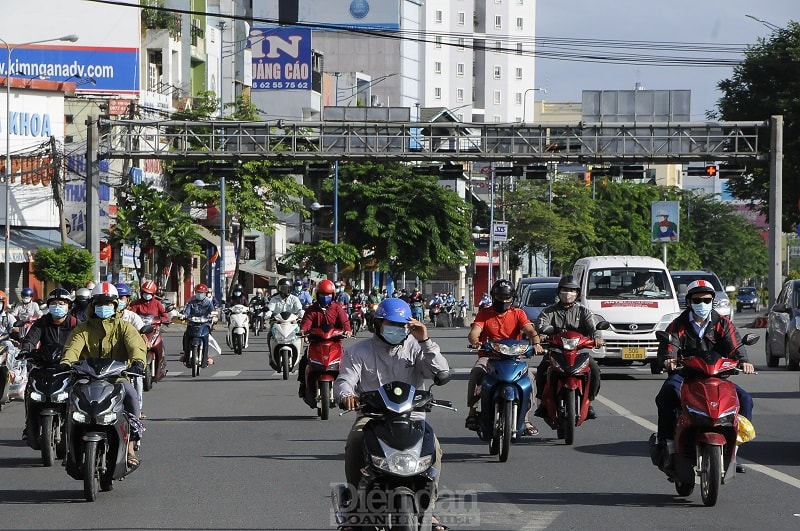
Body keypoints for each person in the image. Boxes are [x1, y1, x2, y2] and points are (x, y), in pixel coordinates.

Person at [335, 298, 450, 531]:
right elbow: (345, 381)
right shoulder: (358, 351)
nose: (398, 329)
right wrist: (346, 395)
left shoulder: (418, 348)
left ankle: (430, 510)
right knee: (355, 440)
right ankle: (356, 507)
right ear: (378, 323)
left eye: (402, 325)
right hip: (373, 417)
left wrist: (425, 340)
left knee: (435, 447)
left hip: (412, 417)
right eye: (391, 324)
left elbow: (441, 371)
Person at [655, 279, 754, 473]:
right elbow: (669, 348)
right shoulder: (678, 325)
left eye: (707, 300)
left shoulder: (723, 323)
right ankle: (667, 443)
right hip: (686, 376)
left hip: (717, 377)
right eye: (698, 300)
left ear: (712, 302)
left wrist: (744, 362)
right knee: (667, 395)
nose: (702, 304)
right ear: (689, 302)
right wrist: (669, 360)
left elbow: (735, 347)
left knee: (746, 400)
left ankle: (734, 449)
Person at [60, 282, 147, 468]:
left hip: (117, 378)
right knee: (69, 399)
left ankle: (130, 448)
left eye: (108, 304)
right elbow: (72, 348)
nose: (104, 308)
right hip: (86, 378)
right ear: (92, 305)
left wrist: (138, 362)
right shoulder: (83, 328)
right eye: (100, 303)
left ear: (115, 306)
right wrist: (66, 363)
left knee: (131, 395)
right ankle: (70, 448)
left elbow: (136, 346)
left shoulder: (124, 327)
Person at [466, 279, 541, 435]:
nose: (504, 301)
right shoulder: (484, 313)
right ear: (494, 297)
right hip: (490, 357)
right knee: (476, 372)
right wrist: (475, 342)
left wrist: (536, 343)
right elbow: (475, 332)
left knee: (530, 378)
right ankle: (472, 412)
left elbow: (530, 330)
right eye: (501, 297)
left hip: (514, 358)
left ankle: (525, 418)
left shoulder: (518, 313)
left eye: (508, 298)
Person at [534, 275, 603, 420]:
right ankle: (542, 402)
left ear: (577, 293)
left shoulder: (584, 311)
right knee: (541, 370)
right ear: (559, 292)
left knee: (595, 370)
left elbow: (594, 327)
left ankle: (589, 402)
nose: (568, 293)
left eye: (572, 290)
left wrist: (597, 337)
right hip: (556, 352)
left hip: (579, 353)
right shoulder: (549, 311)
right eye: (565, 290)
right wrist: (542, 334)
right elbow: (540, 325)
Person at [19, 288, 79, 440]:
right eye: (54, 303)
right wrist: (26, 350)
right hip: (44, 366)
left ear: (69, 306)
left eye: (61, 303)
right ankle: (29, 425)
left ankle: (79, 425)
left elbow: (84, 342)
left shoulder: (75, 324)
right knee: (30, 389)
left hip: (69, 367)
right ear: (48, 305)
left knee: (81, 389)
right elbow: (31, 339)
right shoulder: (42, 322)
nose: (57, 306)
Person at [297, 279, 352, 403]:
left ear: (333, 295)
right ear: (317, 295)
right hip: (316, 342)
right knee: (304, 361)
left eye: (328, 295)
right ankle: (302, 384)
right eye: (322, 294)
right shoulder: (312, 309)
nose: (325, 297)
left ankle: (350, 386)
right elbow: (306, 322)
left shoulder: (337, 308)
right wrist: (303, 330)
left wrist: (348, 330)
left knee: (346, 362)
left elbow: (344, 322)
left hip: (335, 343)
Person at [182, 283, 217, 367]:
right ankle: (186, 355)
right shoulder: (191, 302)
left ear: (205, 293)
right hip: (192, 324)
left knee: (208, 338)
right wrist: (184, 315)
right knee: (185, 336)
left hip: (204, 324)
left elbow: (212, 311)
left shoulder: (208, 302)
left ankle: (207, 357)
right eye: (198, 292)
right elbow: (187, 310)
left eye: (202, 293)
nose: (200, 295)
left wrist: (213, 316)